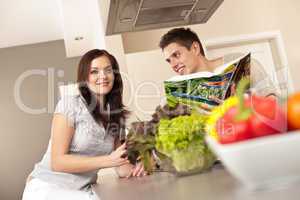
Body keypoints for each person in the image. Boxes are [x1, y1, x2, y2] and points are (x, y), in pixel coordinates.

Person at [22, 49, 145, 200]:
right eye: (94, 71)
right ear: (84, 78)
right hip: (48, 187)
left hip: (83, 190)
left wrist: (139, 167)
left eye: (108, 70)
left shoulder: (115, 116)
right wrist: (107, 160)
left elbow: (120, 166)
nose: (103, 76)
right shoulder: (69, 105)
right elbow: (58, 162)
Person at [159, 27, 278, 97]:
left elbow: (273, 98)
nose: (173, 65)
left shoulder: (239, 63)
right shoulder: (185, 93)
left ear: (195, 48)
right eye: (169, 61)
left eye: (176, 55)